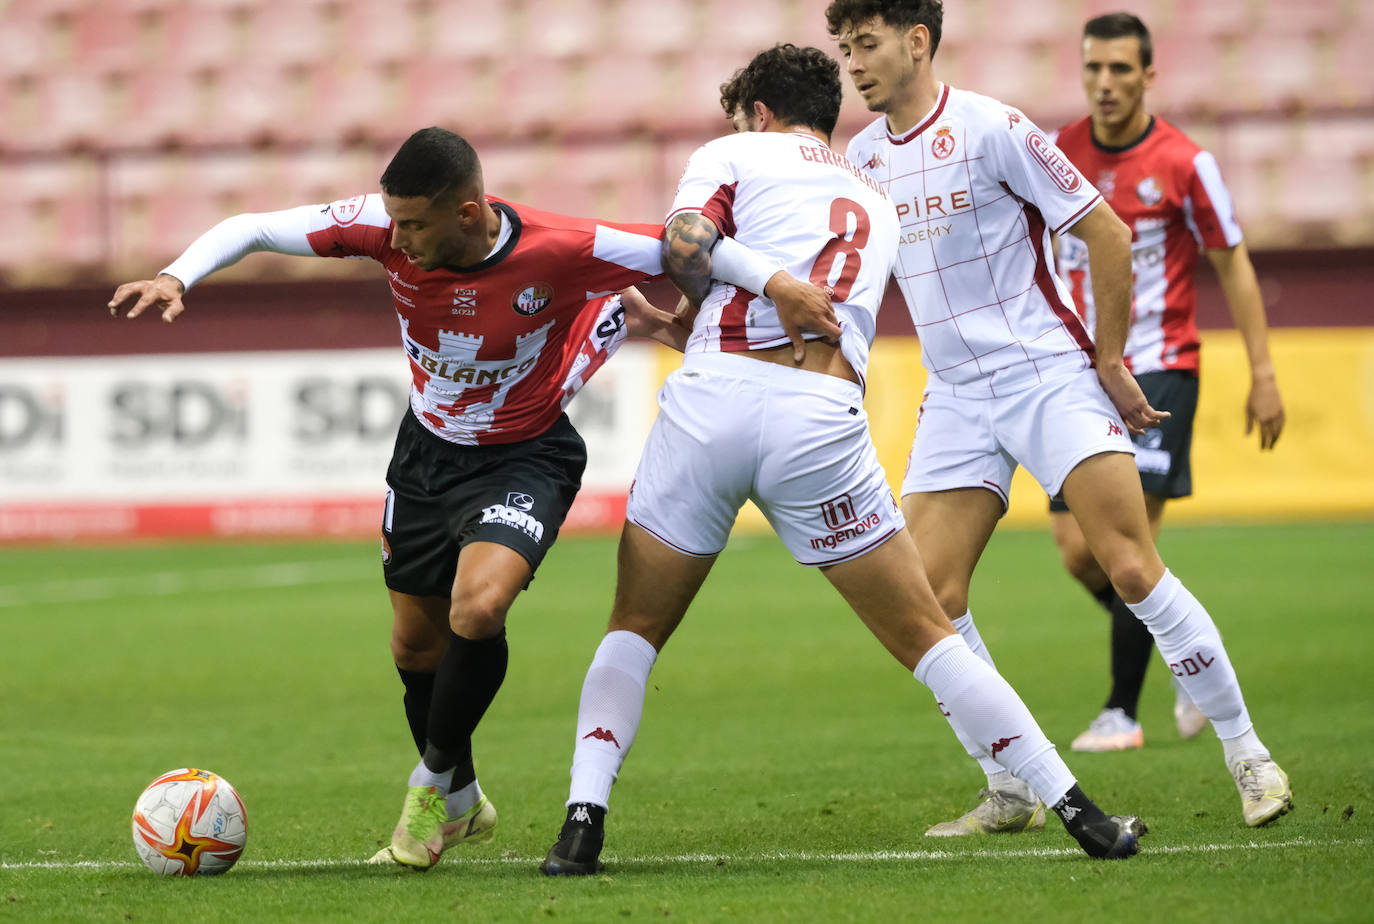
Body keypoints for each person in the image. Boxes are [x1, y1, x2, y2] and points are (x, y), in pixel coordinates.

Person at [107, 126, 837, 870]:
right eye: (393, 222)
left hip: (526, 457)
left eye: (414, 225)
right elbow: (253, 226)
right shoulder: (382, 229)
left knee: (479, 607)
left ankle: (429, 788)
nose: (397, 239)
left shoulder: (558, 246)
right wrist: (178, 274)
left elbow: (688, 245)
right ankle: (462, 799)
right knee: (414, 647)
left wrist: (779, 285)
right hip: (425, 457)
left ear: (467, 211)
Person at [539, 43, 1145, 878]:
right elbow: (798, 316)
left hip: (711, 405)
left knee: (635, 628)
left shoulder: (732, 154)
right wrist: (702, 312)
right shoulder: (873, 194)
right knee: (930, 635)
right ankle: (1082, 812)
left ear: (756, 113)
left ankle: (582, 822)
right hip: (818, 420)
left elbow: (686, 243)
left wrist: (740, 288)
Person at [826, 0, 1292, 832]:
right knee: (927, 598)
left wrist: (1108, 362)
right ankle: (1008, 786)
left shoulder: (994, 128)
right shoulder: (859, 158)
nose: (852, 64)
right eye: (845, 47)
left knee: (1131, 567)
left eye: (866, 44)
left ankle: (1249, 756)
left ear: (918, 40)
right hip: (957, 394)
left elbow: (1108, 236)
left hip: (1045, 374)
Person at [1048, 12, 1286, 753]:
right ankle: (1184, 644)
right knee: (1077, 551)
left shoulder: (1186, 161)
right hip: (1083, 371)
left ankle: (1122, 711)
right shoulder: (1062, 152)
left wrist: (1264, 370)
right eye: (1094, 68)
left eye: (1121, 69)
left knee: (1128, 543)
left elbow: (1233, 262)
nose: (1106, 83)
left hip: (1160, 366)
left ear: (1149, 75)